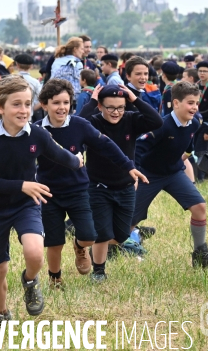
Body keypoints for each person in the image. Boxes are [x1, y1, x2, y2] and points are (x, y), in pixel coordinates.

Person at [0, 75, 83, 322]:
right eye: (16, 104)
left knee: (35, 254)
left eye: (27, 103)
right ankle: (2, 312)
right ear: (0, 107)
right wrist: (23, 185)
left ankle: (30, 281)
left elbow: (59, 154)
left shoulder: (37, 134)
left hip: (26, 205)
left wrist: (77, 161)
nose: (24, 110)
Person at [35, 78, 146, 288]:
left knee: (89, 236)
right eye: (56, 103)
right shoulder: (36, 130)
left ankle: (79, 247)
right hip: (49, 192)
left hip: (78, 190)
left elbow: (106, 145)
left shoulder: (80, 125)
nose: (62, 108)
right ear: (44, 104)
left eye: (66, 103)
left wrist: (128, 166)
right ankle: (55, 278)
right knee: (55, 241)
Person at [133, 81, 208, 269]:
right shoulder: (161, 125)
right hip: (149, 175)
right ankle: (109, 248)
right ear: (176, 103)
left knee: (199, 206)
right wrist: (135, 173)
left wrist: (180, 159)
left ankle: (201, 255)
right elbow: (138, 147)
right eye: (190, 103)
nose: (194, 107)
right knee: (129, 220)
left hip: (174, 173)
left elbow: (189, 146)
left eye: (196, 103)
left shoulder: (195, 122)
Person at [78, 84, 162, 281]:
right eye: (111, 108)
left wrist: (135, 99)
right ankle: (99, 271)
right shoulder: (93, 123)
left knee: (122, 234)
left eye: (120, 107)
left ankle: (89, 243)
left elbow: (156, 121)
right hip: (98, 186)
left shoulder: (131, 120)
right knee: (103, 233)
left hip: (126, 185)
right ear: (100, 106)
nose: (116, 112)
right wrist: (91, 101)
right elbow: (77, 124)